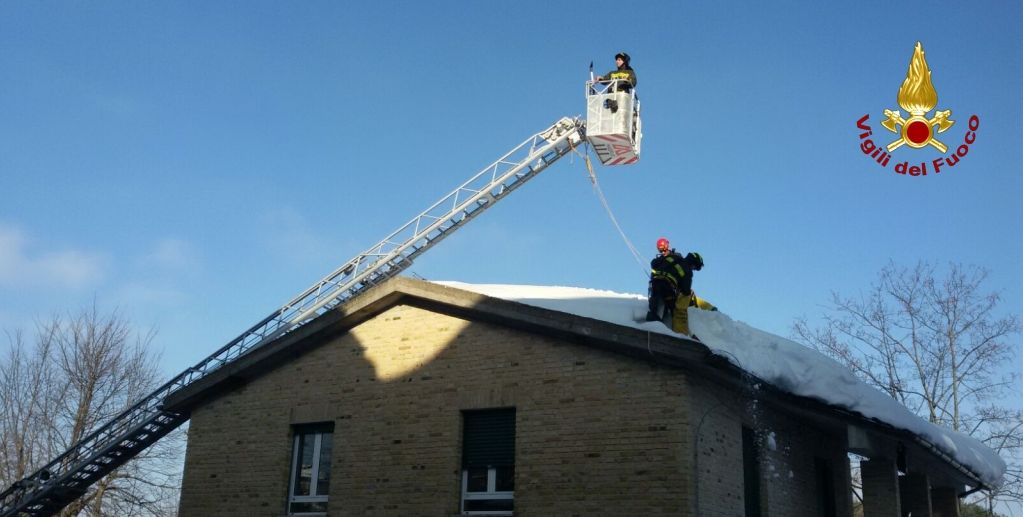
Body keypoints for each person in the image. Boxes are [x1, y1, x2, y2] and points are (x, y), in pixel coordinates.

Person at [646, 237, 716, 335]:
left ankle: (651, 324)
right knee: (683, 302)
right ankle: (681, 334)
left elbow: (654, 263)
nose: (693, 269)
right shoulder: (687, 269)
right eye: (695, 267)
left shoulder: (672, 257)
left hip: (655, 283)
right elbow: (686, 290)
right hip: (668, 287)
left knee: (656, 307)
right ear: (693, 263)